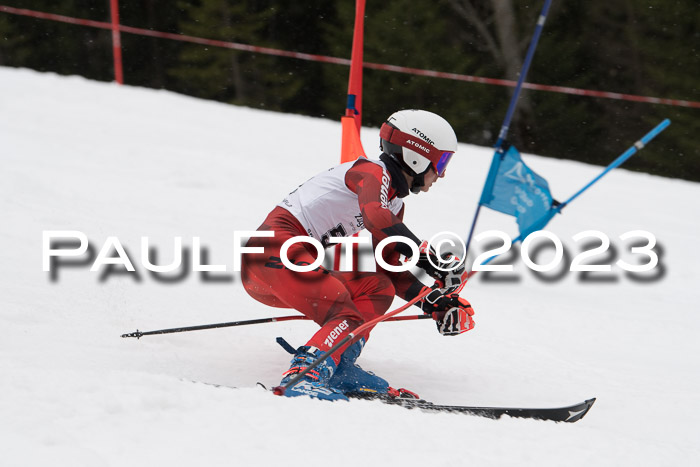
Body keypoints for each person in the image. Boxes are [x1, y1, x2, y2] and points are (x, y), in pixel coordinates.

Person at [241, 109, 475, 401]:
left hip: (286, 267)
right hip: (269, 256)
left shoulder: (393, 204)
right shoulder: (371, 173)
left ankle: (336, 364)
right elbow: (375, 217)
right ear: (417, 155)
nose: (441, 174)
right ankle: (305, 373)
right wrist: (425, 255)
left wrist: (433, 301)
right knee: (344, 311)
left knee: (377, 287)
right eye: (441, 162)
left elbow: (389, 267)